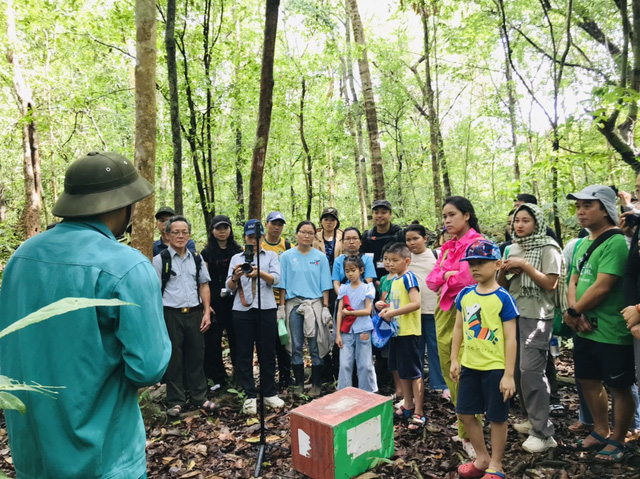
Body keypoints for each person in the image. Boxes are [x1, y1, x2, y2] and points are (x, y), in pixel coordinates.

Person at [0, 151, 171, 479]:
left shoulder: (22, 258)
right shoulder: (127, 267)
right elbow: (148, 368)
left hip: (31, 452)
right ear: (122, 205)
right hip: (104, 459)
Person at [563, 185, 635, 461]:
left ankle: (618, 438)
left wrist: (575, 310)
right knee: (586, 379)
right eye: (578, 206)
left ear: (605, 209)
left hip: (610, 329)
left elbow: (604, 286)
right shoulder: (582, 242)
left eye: (587, 206)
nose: (580, 212)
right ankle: (601, 429)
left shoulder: (616, 242)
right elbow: (574, 279)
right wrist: (574, 311)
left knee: (619, 385)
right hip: (585, 327)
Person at [497, 203, 565, 453]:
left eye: (526, 220)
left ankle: (544, 433)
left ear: (537, 222)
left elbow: (551, 283)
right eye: (516, 220)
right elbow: (502, 285)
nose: (519, 225)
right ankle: (530, 419)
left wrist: (524, 266)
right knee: (516, 371)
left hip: (537, 316)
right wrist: (504, 269)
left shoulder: (549, 247)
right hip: (512, 314)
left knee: (532, 372)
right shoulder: (512, 247)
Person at [451, 239, 518, 479]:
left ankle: (497, 465)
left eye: (481, 262)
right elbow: (458, 328)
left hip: (496, 368)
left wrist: (509, 375)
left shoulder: (503, 298)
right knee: (465, 413)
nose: (475, 268)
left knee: (497, 417)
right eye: (471, 264)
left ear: (498, 264)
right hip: (470, 365)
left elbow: (511, 339)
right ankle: (482, 458)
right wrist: (455, 359)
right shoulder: (465, 295)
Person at [426, 196, 483, 456]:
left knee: (468, 368)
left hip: (471, 311)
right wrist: (448, 276)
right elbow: (431, 279)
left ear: (467, 215)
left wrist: (448, 276)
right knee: (450, 365)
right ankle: (464, 424)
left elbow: (470, 278)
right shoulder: (448, 247)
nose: (447, 220)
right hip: (444, 310)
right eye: (445, 216)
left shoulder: (478, 244)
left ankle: (471, 434)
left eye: (452, 215)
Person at [153, 215, 217, 417]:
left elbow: (204, 285)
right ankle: (176, 401)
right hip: (171, 314)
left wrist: (206, 311)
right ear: (167, 234)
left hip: (195, 313)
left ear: (189, 234)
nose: (180, 236)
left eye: (184, 232)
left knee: (197, 356)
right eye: (175, 232)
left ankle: (199, 397)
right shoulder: (159, 260)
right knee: (174, 358)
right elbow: (153, 291)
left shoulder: (196, 259)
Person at [225, 219, 285, 414]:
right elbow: (229, 287)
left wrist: (260, 273)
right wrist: (236, 276)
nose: (253, 241)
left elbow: (276, 279)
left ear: (262, 238)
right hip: (241, 311)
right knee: (244, 352)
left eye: (257, 237)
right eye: (250, 237)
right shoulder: (236, 258)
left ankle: (269, 393)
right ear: (244, 237)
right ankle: (250, 395)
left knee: (267, 351)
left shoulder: (271, 256)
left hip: (266, 308)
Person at [280, 220, 333, 398]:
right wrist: (281, 307)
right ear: (297, 234)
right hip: (293, 304)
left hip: (315, 304)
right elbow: (283, 284)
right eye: (303, 232)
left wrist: (325, 307)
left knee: (316, 344)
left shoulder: (320, 257)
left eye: (310, 233)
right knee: (295, 345)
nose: (306, 235)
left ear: (314, 236)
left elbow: (325, 284)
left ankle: (316, 385)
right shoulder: (287, 256)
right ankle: (299, 385)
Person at [380, 242, 424, 431]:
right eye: (388, 260)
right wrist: (385, 308)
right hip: (397, 332)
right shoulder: (395, 280)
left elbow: (415, 303)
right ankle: (407, 405)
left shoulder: (409, 278)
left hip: (409, 332)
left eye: (395, 260)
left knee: (414, 373)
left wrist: (393, 312)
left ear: (406, 261)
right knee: (402, 371)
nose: (390, 263)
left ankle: (419, 412)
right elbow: (396, 303)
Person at [405, 223, 449, 398]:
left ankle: (441, 384)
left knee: (436, 348)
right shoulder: (406, 258)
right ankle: (418, 385)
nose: (412, 243)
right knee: (416, 349)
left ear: (425, 238)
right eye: (408, 240)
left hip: (435, 309)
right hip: (412, 311)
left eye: (415, 238)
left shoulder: (437, 255)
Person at [201, 214, 243, 388]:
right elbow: (204, 279)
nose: (222, 231)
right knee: (213, 341)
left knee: (237, 339)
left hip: (236, 301)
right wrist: (206, 305)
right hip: (215, 301)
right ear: (212, 231)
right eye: (218, 228)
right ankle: (218, 377)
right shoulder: (207, 252)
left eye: (225, 227)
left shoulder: (238, 250)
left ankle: (239, 375)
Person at [335, 255, 377, 392]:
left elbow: (367, 310)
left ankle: (368, 393)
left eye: (353, 270)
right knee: (345, 364)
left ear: (361, 270)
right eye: (347, 271)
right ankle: (344, 392)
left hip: (363, 329)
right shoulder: (343, 289)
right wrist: (337, 335)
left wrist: (351, 313)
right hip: (346, 331)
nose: (350, 274)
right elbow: (339, 312)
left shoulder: (367, 288)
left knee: (365, 364)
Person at [262, 211, 293, 388]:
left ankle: (285, 376)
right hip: (264, 300)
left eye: (280, 224)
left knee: (284, 339)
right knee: (267, 341)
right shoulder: (260, 244)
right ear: (266, 224)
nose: (276, 227)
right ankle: (269, 378)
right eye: (273, 224)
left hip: (283, 300)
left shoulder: (287, 245)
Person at [362, 200, 406, 284]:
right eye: (376, 213)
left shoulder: (399, 234)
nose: (379, 215)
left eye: (383, 212)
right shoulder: (367, 236)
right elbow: (364, 261)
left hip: (397, 280)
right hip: (373, 281)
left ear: (390, 214)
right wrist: (373, 281)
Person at [313, 207, 343, 271]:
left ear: (337, 222)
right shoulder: (313, 238)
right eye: (326, 219)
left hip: (339, 275)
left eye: (332, 220)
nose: (329, 222)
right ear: (321, 221)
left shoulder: (343, 238)